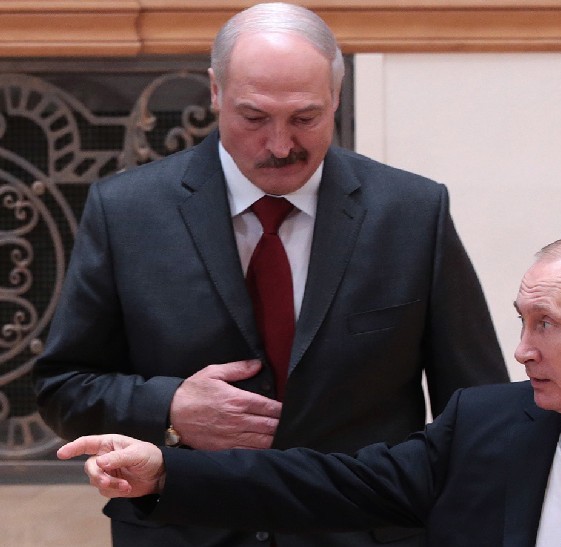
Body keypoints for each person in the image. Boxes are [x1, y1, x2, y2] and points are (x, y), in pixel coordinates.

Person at [33, 3, 508, 547]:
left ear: (336, 96)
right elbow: (63, 387)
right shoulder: (125, 211)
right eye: (254, 118)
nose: (281, 146)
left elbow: (478, 409)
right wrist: (170, 409)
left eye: (305, 118)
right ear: (216, 92)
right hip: (185, 530)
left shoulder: (413, 212)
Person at [59, 231, 561, 546]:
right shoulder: (483, 424)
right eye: (521, 321)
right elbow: (329, 483)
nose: (522, 349)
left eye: (547, 324)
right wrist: (166, 470)